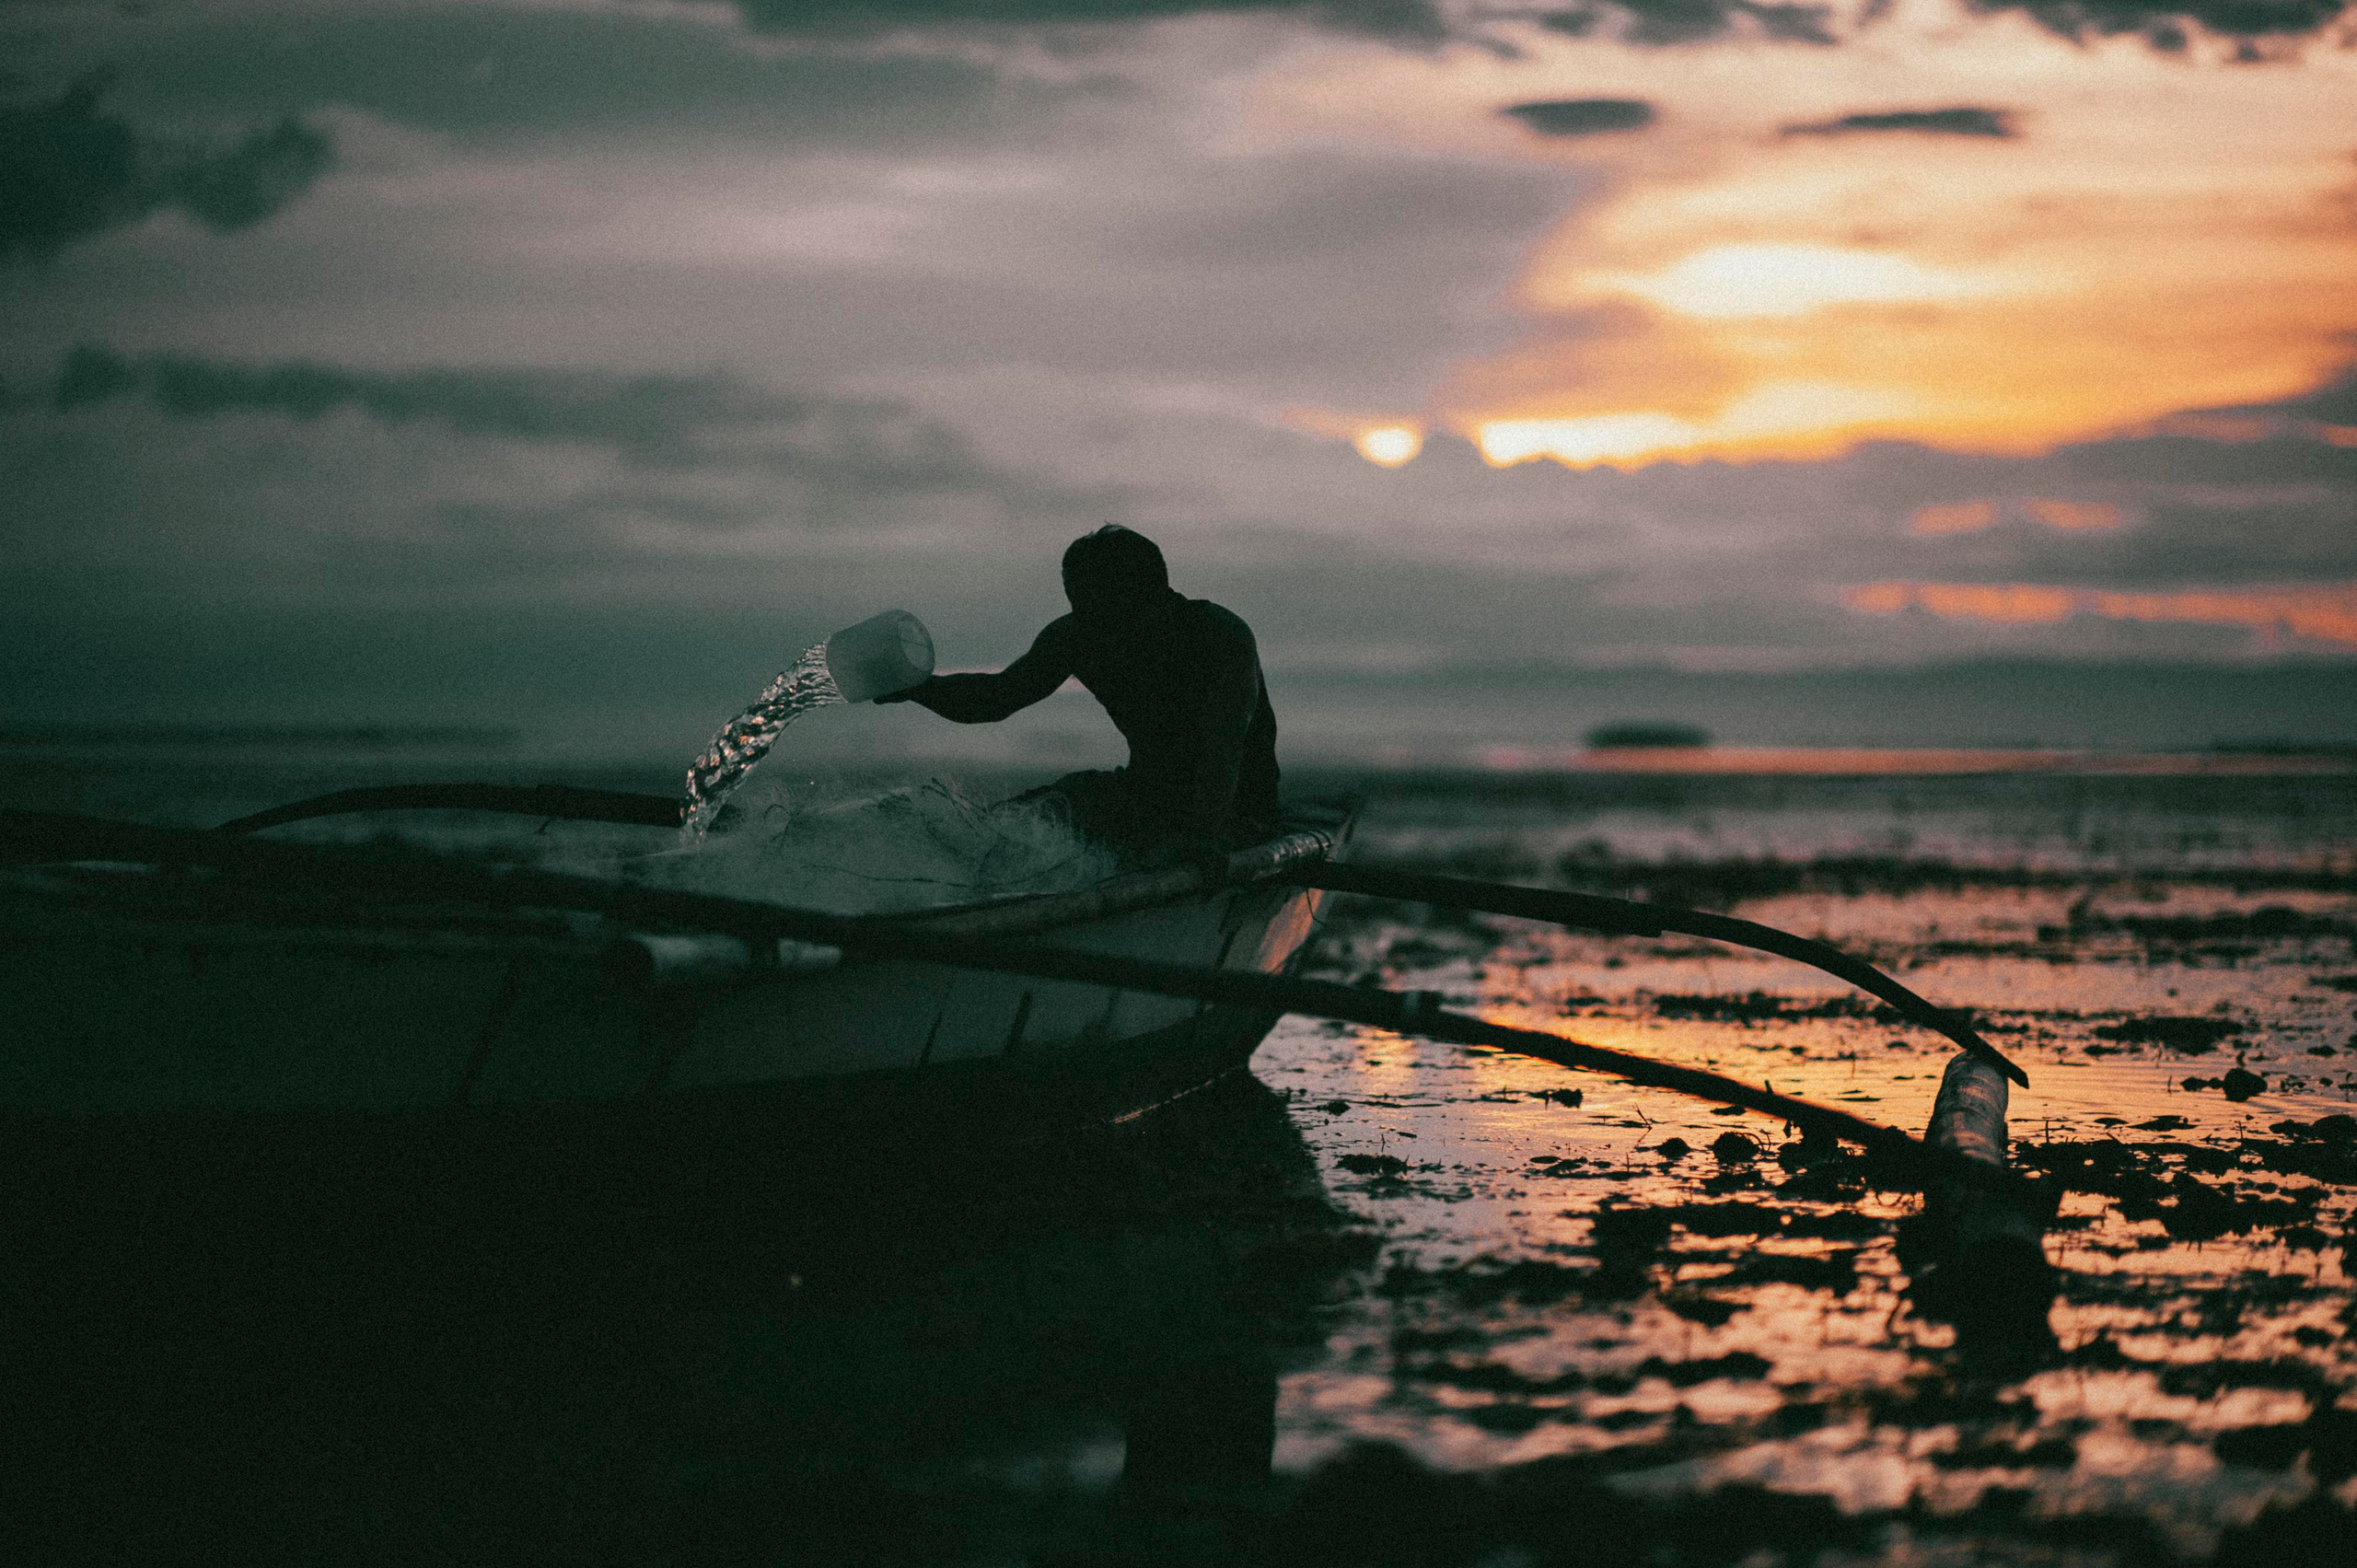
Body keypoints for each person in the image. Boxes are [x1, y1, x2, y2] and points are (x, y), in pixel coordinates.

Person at [878, 525, 1281, 855]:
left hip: (1237, 808)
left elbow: (1221, 748)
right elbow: (997, 697)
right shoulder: (1078, 635)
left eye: (1094, 601)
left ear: (1145, 591)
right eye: (1074, 598)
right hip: (1142, 794)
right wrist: (919, 690)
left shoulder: (1217, 635)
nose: (1082, 615)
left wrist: (1196, 843)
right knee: (1013, 823)